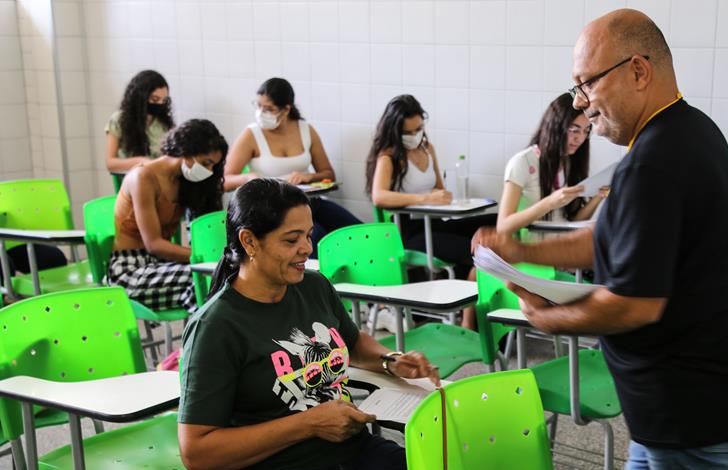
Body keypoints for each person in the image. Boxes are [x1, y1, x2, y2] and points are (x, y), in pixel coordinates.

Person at [473, 9, 728, 470]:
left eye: (587, 84)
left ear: (638, 70)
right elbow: (609, 240)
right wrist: (521, 251)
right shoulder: (691, 129)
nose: (580, 103)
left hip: (687, 394)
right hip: (673, 393)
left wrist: (546, 319)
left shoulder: (655, 161)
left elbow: (634, 305)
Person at [178, 179, 511, 470]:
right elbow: (196, 450)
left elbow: (353, 343)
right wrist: (309, 424)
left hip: (350, 451)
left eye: (308, 235)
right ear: (249, 241)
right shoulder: (217, 327)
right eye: (291, 240)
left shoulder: (312, 286)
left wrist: (390, 360)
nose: (307, 248)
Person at [366, 95, 495, 328]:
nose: (414, 135)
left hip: (433, 223)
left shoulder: (427, 148)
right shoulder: (388, 157)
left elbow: (438, 187)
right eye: (408, 132)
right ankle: (469, 321)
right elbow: (379, 196)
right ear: (395, 131)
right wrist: (425, 198)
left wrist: (442, 196)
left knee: (494, 224)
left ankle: (480, 308)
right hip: (407, 233)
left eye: (418, 129)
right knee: (477, 251)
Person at [224, 78, 361, 257]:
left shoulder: (306, 130)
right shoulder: (251, 135)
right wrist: (249, 177)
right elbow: (225, 181)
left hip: (309, 203)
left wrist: (309, 177)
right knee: (316, 238)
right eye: (258, 106)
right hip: (273, 211)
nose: (261, 113)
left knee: (358, 232)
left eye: (269, 109)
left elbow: (328, 174)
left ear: (286, 109)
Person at [108, 119, 226, 313]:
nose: (209, 171)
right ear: (186, 151)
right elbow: (154, 244)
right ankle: (202, 332)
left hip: (163, 265)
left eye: (213, 166)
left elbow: (199, 230)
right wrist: (205, 258)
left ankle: (209, 330)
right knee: (209, 277)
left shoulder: (184, 181)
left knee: (223, 276)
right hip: (130, 270)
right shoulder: (143, 177)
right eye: (206, 163)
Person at [497, 93, 605, 236]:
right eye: (574, 130)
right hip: (531, 248)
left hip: (562, 246)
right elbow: (503, 227)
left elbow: (572, 223)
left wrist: (599, 195)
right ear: (555, 126)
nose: (580, 138)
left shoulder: (570, 161)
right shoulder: (523, 162)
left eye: (586, 131)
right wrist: (550, 203)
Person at [106, 70, 175, 173]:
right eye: (155, 99)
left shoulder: (165, 123)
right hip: (132, 178)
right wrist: (141, 161)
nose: (160, 104)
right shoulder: (119, 120)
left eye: (164, 100)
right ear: (140, 97)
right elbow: (110, 164)